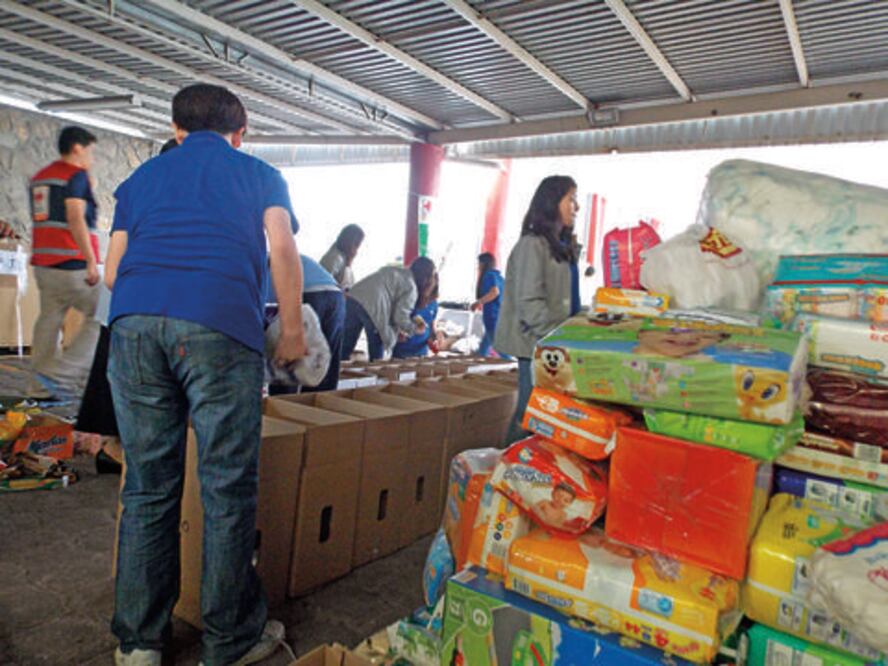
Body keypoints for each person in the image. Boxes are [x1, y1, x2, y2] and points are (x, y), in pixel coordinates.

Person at [105, 84, 304, 666]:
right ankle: (230, 640)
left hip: (134, 327)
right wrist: (291, 330)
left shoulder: (140, 180)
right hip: (219, 325)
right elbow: (282, 249)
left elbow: (114, 270)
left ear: (176, 131)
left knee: (147, 487)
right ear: (240, 134)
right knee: (225, 488)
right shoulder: (259, 173)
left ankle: (139, 644)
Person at [495, 175, 581, 444]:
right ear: (552, 202)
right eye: (571, 199)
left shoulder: (560, 247)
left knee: (543, 416)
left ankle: (527, 470)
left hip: (552, 346)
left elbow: (567, 301)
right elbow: (530, 304)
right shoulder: (532, 245)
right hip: (537, 345)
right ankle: (503, 473)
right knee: (529, 414)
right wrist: (559, 338)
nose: (576, 207)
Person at [28, 126, 102, 397]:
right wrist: (91, 260)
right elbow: (75, 217)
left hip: (43, 264)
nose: (91, 158)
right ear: (77, 148)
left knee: (49, 319)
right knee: (103, 314)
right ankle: (63, 375)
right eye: (90, 151)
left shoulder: (41, 177)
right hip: (72, 263)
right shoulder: (75, 176)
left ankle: (40, 385)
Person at [267, 254, 345, 393]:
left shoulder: (252, 265)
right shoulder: (268, 253)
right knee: (324, 365)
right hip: (335, 296)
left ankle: (282, 410)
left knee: (288, 359)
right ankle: (320, 410)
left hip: (306, 293)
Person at [341, 257, 437, 362]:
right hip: (372, 305)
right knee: (377, 349)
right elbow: (400, 317)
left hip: (353, 297)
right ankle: (375, 375)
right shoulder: (411, 287)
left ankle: (337, 372)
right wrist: (414, 329)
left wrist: (396, 333)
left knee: (345, 346)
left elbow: (391, 311)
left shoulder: (397, 272)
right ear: (426, 278)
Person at [471, 252, 505, 357]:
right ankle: (479, 360)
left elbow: (494, 292)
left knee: (500, 350)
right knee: (483, 347)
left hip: (493, 318)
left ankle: (514, 367)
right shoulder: (499, 277)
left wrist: (479, 302)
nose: (478, 266)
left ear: (483, 263)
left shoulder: (489, 275)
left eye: (479, 263)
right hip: (500, 318)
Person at [392, 285, 438, 359]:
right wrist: (397, 335)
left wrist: (434, 339)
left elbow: (431, 326)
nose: (428, 302)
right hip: (401, 353)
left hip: (422, 354)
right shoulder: (407, 301)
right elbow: (395, 323)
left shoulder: (434, 303)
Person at [320, 223, 364, 290]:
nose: (356, 250)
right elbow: (322, 282)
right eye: (357, 245)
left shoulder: (345, 260)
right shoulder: (335, 257)